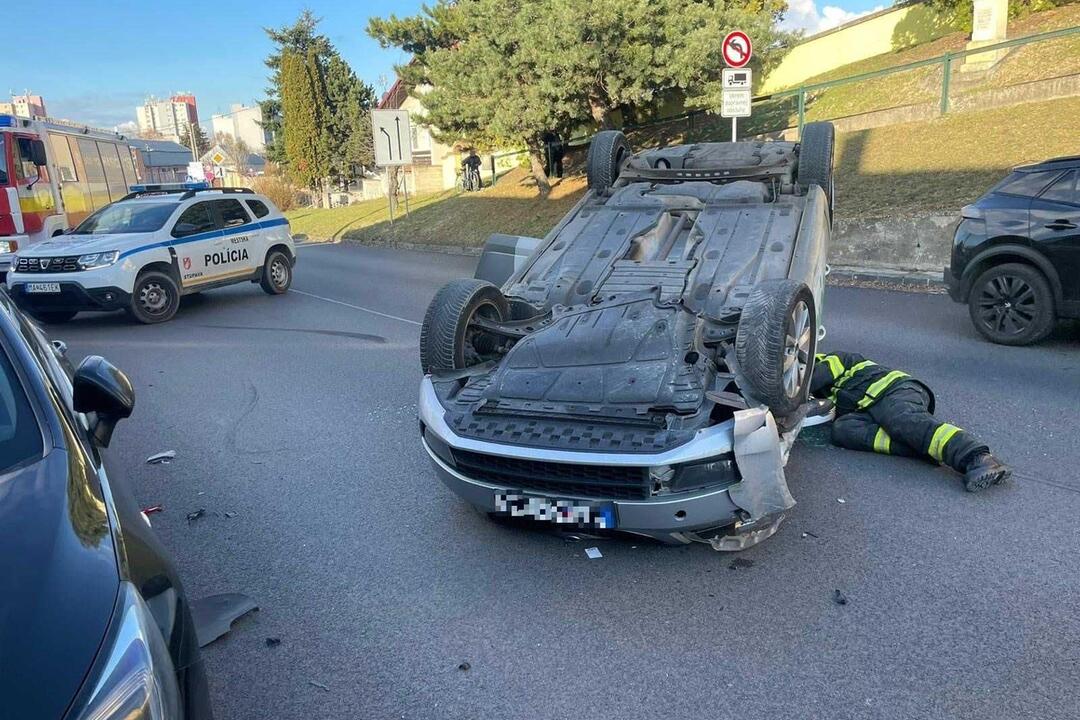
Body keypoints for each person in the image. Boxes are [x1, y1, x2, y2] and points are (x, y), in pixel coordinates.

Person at [811, 351, 1012, 492]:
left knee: (903, 420)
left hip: (894, 389)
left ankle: (978, 457)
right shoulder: (822, 394)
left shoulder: (833, 358)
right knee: (842, 430)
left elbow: (812, 378)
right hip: (868, 408)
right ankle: (919, 448)